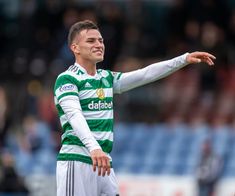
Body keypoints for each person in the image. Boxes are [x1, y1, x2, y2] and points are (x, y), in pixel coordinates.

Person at [54, 20, 216, 196]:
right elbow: (74, 115)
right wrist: (94, 148)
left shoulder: (106, 78)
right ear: (75, 48)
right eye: (91, 41)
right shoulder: (67, 79)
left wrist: (183, 59)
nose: (99, 44)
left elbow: (144, 75)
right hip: (77, 161)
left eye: (100, 40)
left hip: (103, 162)